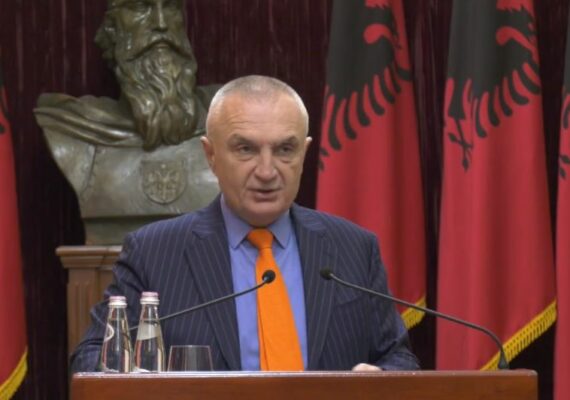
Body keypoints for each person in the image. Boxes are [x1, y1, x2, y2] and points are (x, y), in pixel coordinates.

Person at [70, 75, 419, 372]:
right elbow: (92, 359)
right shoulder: (154, 253)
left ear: (304, 153)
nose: (267, 171)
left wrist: (382, 378)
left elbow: (397, 357)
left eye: (284, 150)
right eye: (246, 149)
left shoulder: (354, 248)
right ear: (210, 155)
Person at [34, 0, 220, 244]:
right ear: (112, 30)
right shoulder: (71, 129)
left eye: (170, 7)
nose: (161, 23)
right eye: (141, 8)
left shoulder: (231, 123)